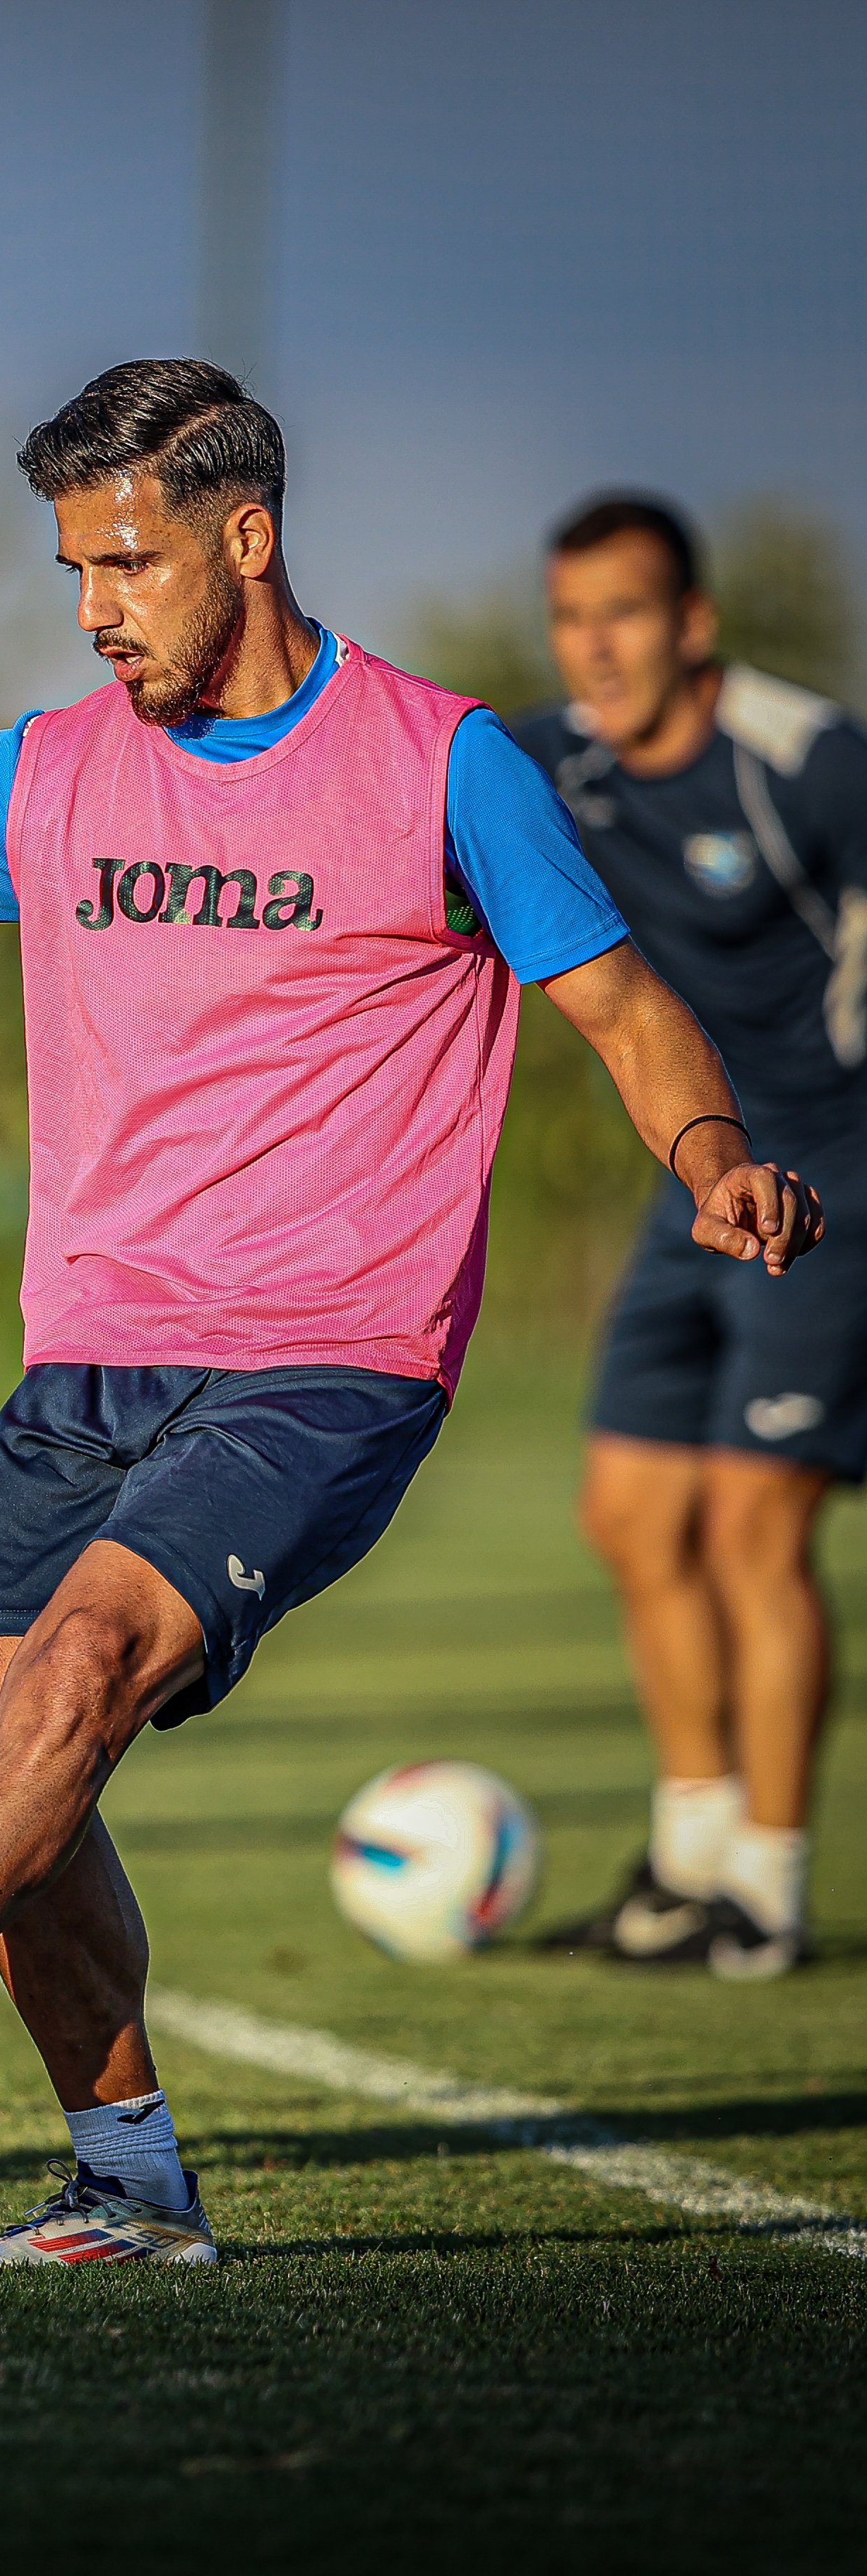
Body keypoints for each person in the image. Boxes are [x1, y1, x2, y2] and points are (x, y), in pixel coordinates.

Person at [0, 359, 821, 2267]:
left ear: (245, 538)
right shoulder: (43, 771)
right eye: (72, 566)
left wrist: (711, 1153)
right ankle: (129, 2184)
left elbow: (622, 1002)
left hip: (329, 1354)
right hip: (86, 1353)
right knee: (6, 1747)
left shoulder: (442, 763)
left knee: (84, 1665)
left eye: (128, 561)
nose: (94, 607)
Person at [515, 496, 867, 1980]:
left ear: (695, 623)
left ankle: (769, 1892)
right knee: (634, 1514)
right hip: (697, 1181)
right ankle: (690, 1856)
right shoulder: (557, 762)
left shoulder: (810, 764)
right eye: (573, 616)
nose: (596, 646)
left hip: (839, 1183)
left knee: (750, 1525)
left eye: (628, 613)